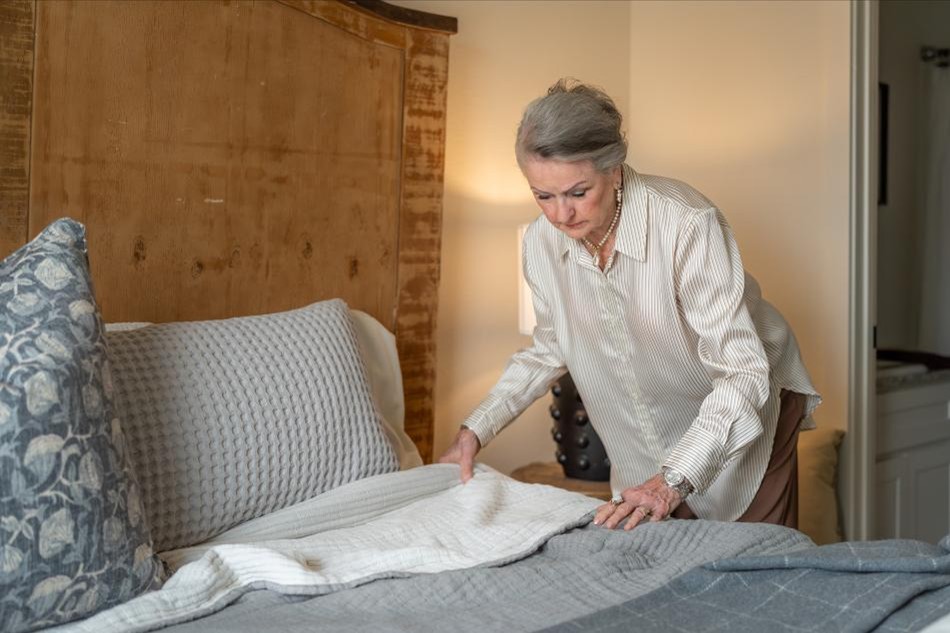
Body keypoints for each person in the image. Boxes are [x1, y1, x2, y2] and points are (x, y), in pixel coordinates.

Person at [439, 79, 821, 530]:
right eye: (543, 196)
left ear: (615, 170)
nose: (561, 215)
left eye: (578, 192)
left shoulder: (686, 223)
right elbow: (548, 348)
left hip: (746, 412)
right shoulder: (541, 245)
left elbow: (743, 373)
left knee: (753, 571)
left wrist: (672, 480)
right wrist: (476, 429)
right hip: (646, 434)